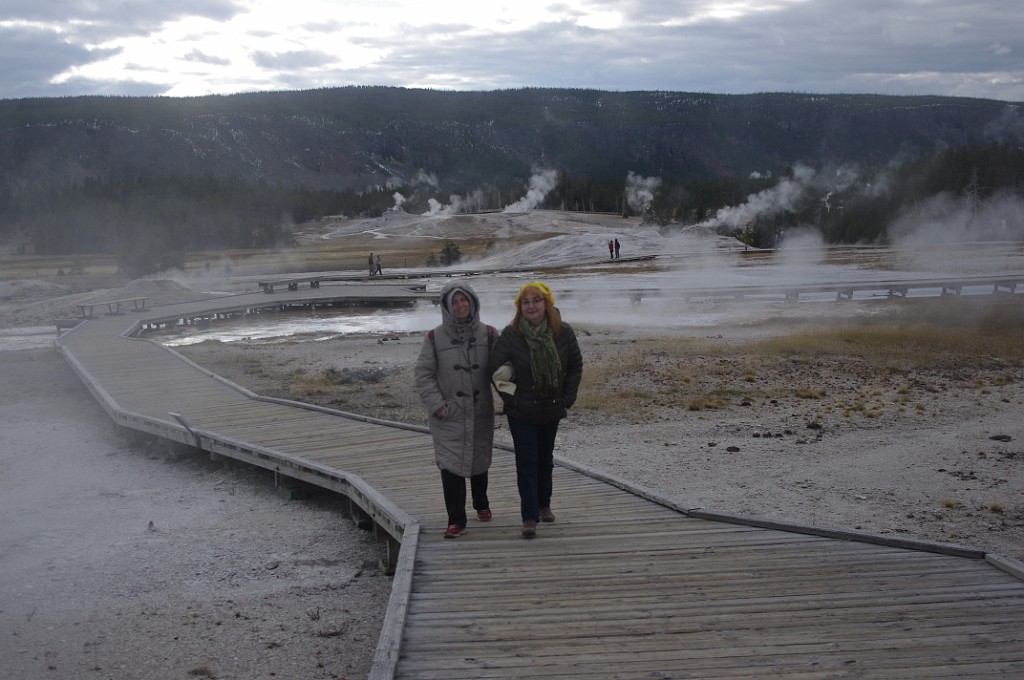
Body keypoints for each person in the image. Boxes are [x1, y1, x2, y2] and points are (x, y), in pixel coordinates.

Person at [488, 281, 583, 539]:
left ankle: (544, 504)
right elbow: (494, 370)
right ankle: (529, 516)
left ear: (546, 303)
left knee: (545, 458)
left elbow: (575, 365)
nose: (531, 306)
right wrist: (513, 400)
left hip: (552, 407)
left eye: (536, 301)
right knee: (527, 461)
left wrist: (567, 398)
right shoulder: (511, 334)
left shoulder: (562, 332)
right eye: (526, 302)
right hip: (522, 411)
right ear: (520, 307)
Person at [415, 281, 495, 539]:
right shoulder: (434, 337)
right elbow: (423, 374)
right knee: (451, 465)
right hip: (448, 413)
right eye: (455, 302)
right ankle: (455, 520)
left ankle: (481, 503)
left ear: (472, 303)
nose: (460, 305)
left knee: (479, 458)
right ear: (447, 307)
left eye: (464, 300)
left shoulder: (490, 334)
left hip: (480, 409)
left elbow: (505, 367)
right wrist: (438, 406)